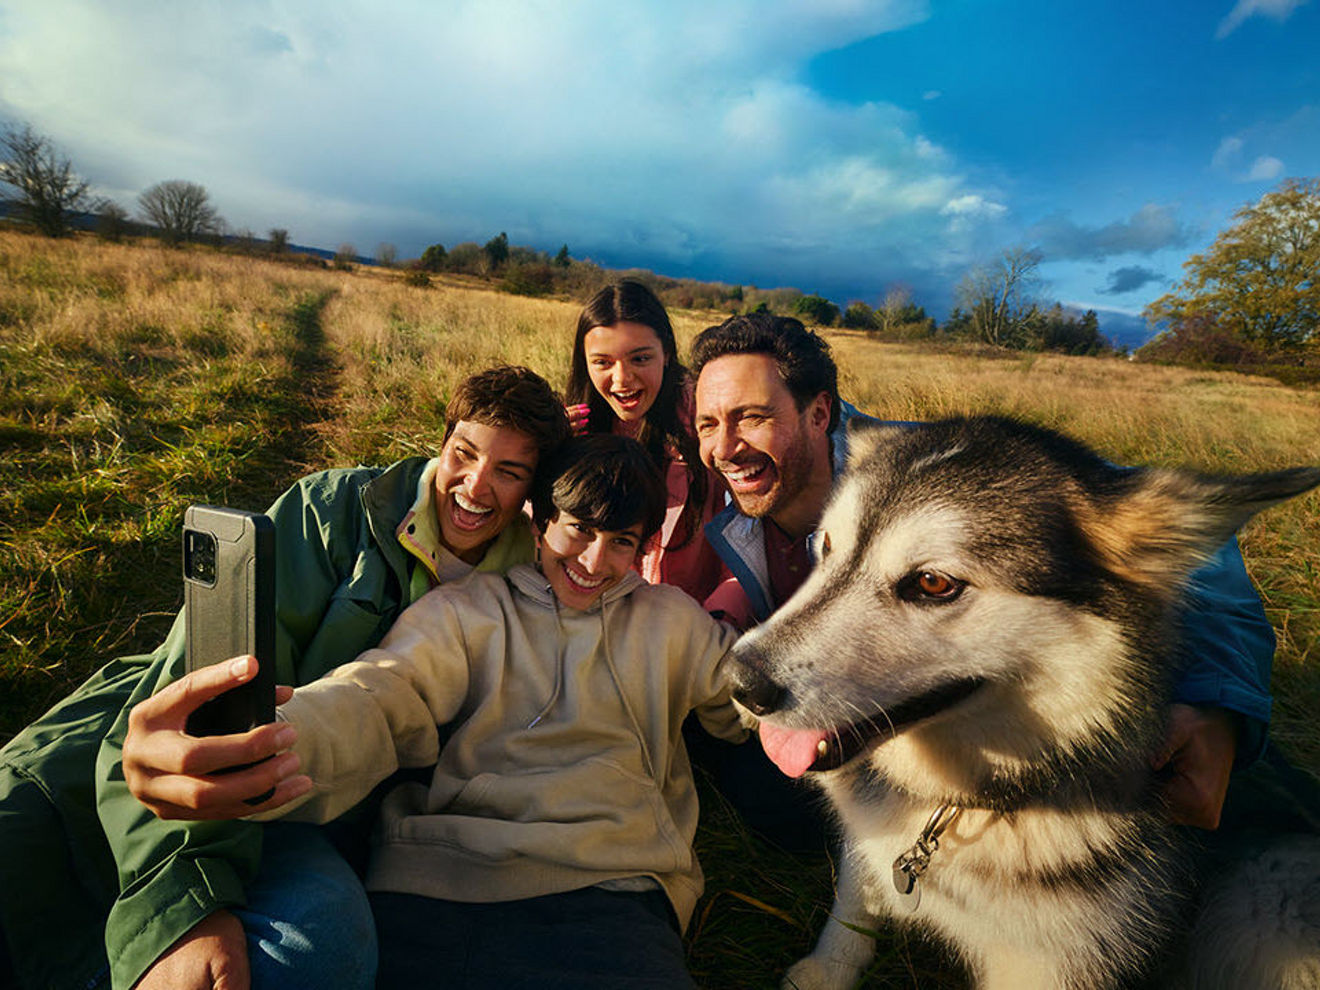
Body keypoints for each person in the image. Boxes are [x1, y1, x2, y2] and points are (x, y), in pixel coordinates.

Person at [0, 365, 569, 990]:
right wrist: (188, 907)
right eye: (465, 454)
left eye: (509, 472)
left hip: (323, 817)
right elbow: (204, 695)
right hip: (204, 775)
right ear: (441, 444)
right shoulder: (329, 511)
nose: (476, 486)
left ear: (531, 491)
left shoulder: (536, 580)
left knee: (315, 950)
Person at [687, 312, 1279, 844]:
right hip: (850, 691)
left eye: (753, 417)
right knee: (771, 805)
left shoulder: (921, 459)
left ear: (819, 413)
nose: (725, 446)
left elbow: (1180, 536)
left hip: (1018, 734)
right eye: (708, 423)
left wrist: (1220, 706)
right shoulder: (727, 496)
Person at [200, 434, 752, 989]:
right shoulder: (468, 611)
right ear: (538, 522)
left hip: (613, 891)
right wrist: (271, 741)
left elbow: (750, 702)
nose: (594, 560)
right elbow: (384, 694)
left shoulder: (671, 622)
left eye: (620, 542)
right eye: (580, 529)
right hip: (438, 886)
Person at [565, 280, 725, 602]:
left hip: (687, 619)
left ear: (665, 352)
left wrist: (716, 621)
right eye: (603, 362)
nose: (622, 379)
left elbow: (744, 539)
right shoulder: (572, 425)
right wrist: (545, 453)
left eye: (639, 359)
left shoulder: (709, 421)